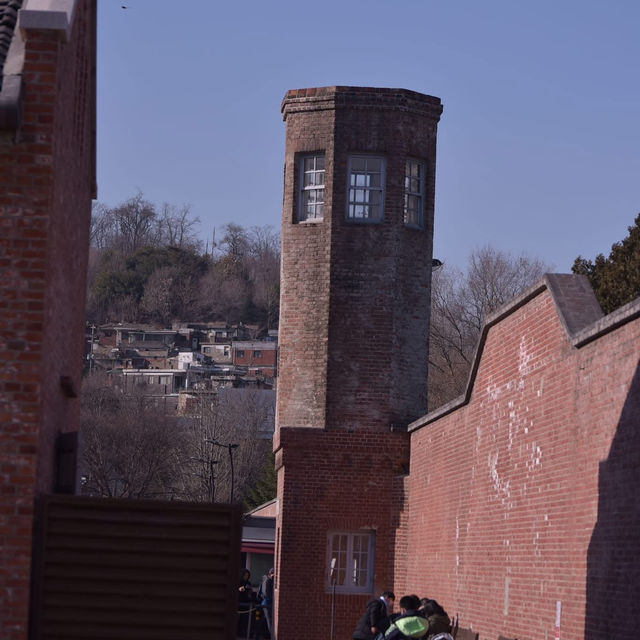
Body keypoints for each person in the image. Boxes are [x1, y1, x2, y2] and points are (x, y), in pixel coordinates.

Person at [237, 568, 254, 638]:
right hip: (239, 603)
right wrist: (239, 589)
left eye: (247, 575)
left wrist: (250, 594)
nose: (246, 577)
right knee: (238, 619)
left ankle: (243, 634)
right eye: (245, 575)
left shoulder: (248, 583)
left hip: (246, 604)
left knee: (245, 620)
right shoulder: (239, 582)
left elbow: (250, 592)